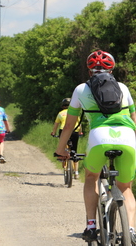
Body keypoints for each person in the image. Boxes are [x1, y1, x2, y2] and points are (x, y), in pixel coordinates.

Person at [54, 50, 136, 243]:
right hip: (127, 137)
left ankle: (91, 226)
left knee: (91, 177)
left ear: (89, 70)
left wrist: (60, 150)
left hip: (99, 137)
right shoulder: (123, 88)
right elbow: (134, 118)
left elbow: (69, 126)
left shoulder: (80, 89)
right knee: (126, 188)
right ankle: (131, 231)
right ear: (112, 69)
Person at [51, 97, 83, 179]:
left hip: (63, 131)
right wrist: (80, 132)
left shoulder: (60, 113)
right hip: (74, 131)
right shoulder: (75, 113)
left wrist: (53, 133)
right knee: (75, 151)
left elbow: (56, 125)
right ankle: (76, 172)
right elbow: (79, 124)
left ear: (63, 105)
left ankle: (63, 159)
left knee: (63, 149)